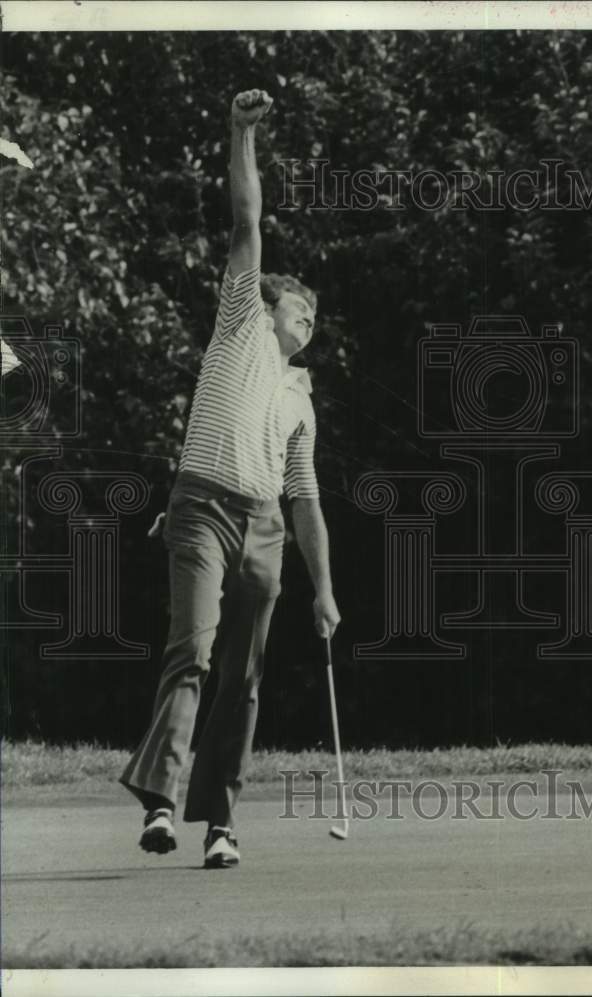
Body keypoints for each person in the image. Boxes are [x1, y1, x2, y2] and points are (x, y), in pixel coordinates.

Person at [120, 89, 341, 869]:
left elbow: (306, 501)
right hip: (203, 507)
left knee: (243, 678)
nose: (307, 320)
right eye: (299, 310)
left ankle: (220, 823)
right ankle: (160, 807)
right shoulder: (241, 317)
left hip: (267, 529)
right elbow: (248, 220)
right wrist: (241, 132)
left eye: (314, 317)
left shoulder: (300, 400)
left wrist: (323, 588)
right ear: (267, 306)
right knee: (195, 651)